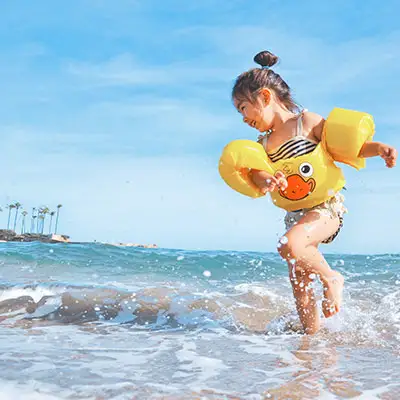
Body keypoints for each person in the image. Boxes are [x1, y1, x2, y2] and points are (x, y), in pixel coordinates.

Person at [231, 50, 398, 334]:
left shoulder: (306, 123)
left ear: (265, 97)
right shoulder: (263, 144)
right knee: (299, 281)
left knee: (288, 246)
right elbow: (258, 174)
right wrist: (267, 180)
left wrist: (379, 148)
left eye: (243, 108)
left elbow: (347, 148)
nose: (243, 117)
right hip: (294, 215)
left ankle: (332, 279)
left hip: (326, 209)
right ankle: (311, 343)